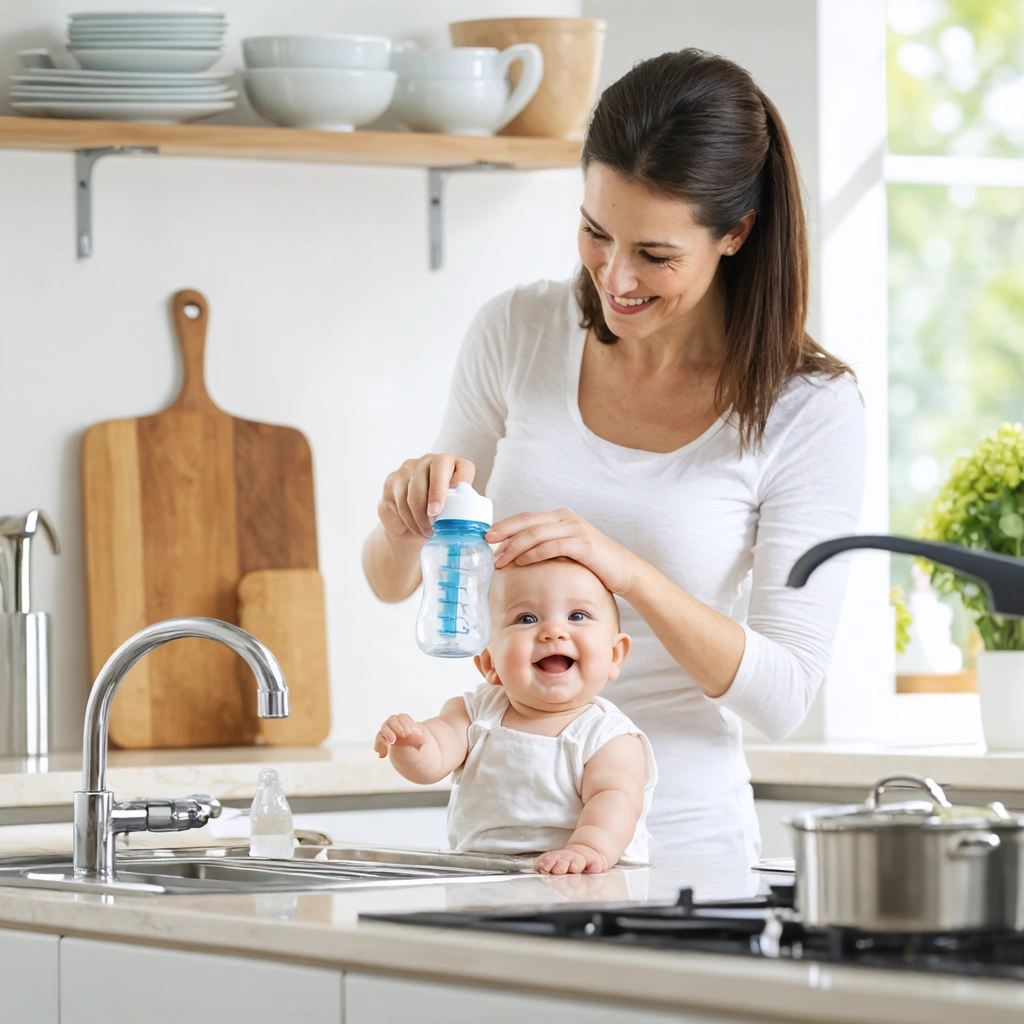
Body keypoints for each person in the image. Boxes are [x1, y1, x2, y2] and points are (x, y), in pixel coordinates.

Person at [364, 48, 866, 870]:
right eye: (597, 233)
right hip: (501, 857)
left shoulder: (808, 409)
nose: (616, 277)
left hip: (683, 852)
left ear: (736, 232)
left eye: (656, 255)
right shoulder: (517, 333)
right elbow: (396, 583)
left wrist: (624, 571)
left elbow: (783, 697)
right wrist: (398, 524)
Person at [374, 558, 657, 874]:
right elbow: (433, 761)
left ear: (614, 655)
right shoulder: (476, 712)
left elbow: (616, 800)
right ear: (489, 663)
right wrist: (412, 744)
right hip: (482, 875)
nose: (553, 631)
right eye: (526, 618)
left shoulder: (607, 735)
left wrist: (587, 849)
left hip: (582, 878)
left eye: (577, 615)